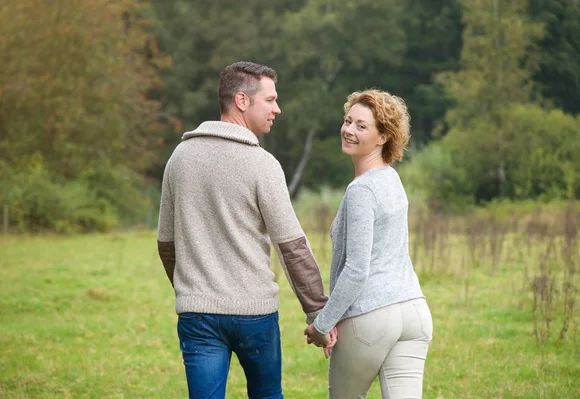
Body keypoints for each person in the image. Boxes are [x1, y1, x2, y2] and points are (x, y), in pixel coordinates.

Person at [157, 61, 332, 399]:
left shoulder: (179, 158)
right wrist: (318, 314)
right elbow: (291, 246)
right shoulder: (261, 164)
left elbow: (166, 243)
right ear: (241, 101)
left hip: (198, 315)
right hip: (255, 316)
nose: (277, 109)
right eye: (270, 100)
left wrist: (192, 287)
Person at [304, 89, 433, 399]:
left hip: (371, 317)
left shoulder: (361, 190)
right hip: (414, 314)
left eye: (362, 126)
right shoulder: (392, 179)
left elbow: (357, 269)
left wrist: (322, 324)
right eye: (348, 121)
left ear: (383, 137)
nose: (349, 130)